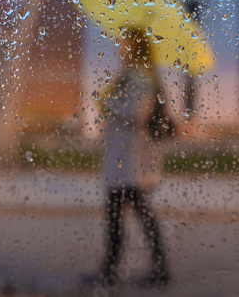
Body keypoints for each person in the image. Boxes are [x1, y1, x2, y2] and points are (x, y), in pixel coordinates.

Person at [99, 28, 169, 287]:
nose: (120, 47)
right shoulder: (131, 75)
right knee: (136, 216)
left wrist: (110, 105)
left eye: (124, 42)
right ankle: (157, 270)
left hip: (130, 161)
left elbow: (138, 114)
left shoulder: (140, 77)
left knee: (120, 216)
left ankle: (110, 274)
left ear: (136, 46)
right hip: (126, 161)